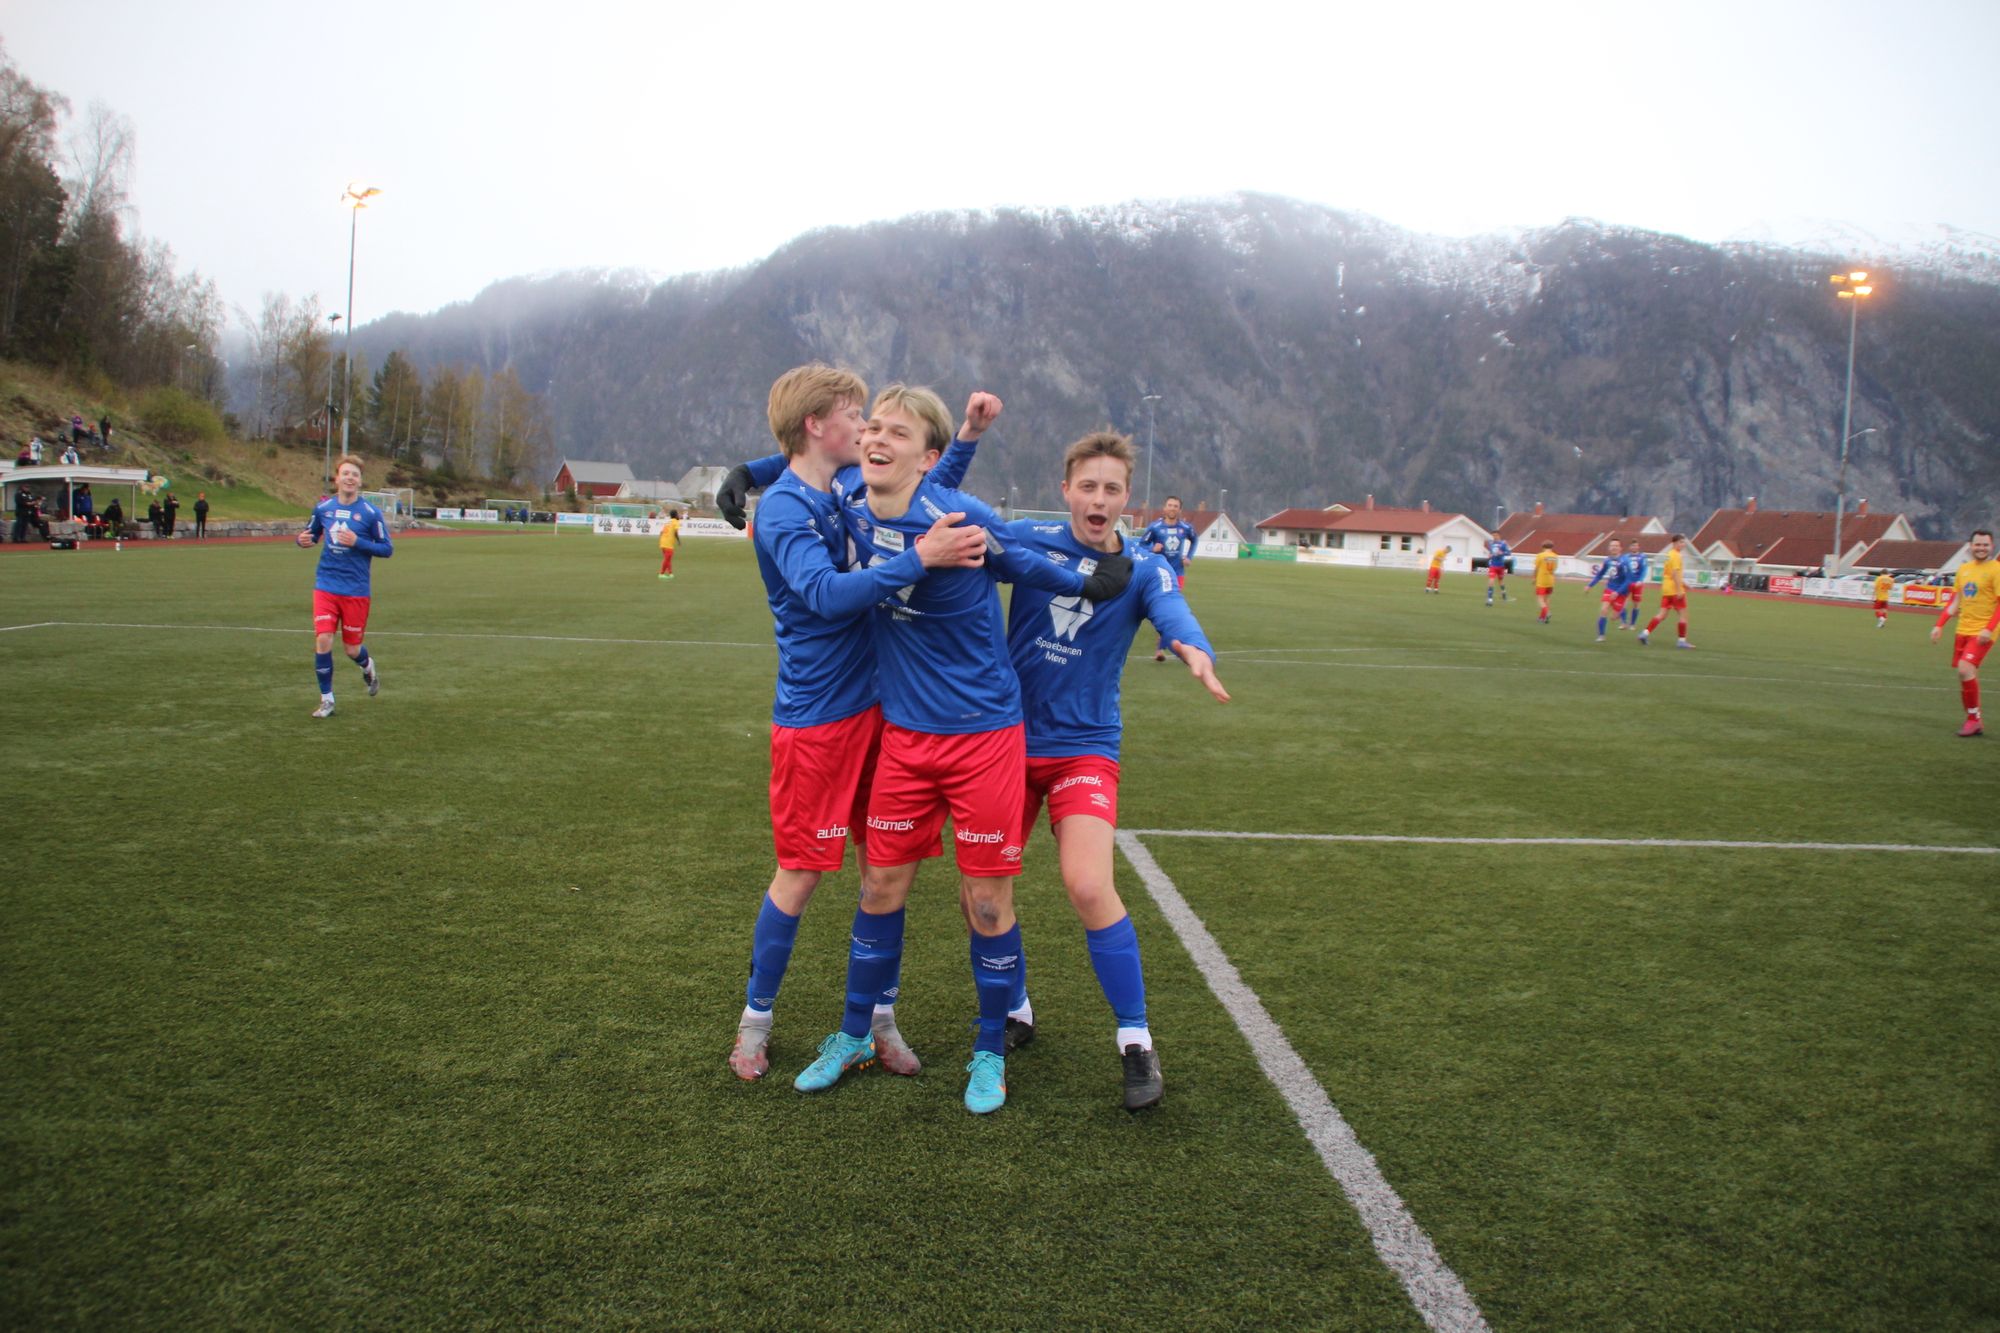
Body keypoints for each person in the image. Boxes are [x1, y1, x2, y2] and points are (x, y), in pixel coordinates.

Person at [789, 384, 1132, 1115]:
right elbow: (807, 455)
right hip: (905, 739)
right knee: (879, 887)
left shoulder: (954, 513)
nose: (877, 439)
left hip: (982, 738)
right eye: (873, 427)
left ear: (930, 459)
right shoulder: (849, 495)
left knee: (985, 900)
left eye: (899, 433)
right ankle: (852, 1035)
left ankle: (987, 1050)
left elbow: (1020, 558)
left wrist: (1088, 580)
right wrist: (752, 473)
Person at [723, 366, 994, 1085]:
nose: (868, 429)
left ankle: (879, 1020)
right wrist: (918, 559)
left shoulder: (839, 486)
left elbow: (919, 469)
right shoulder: (785, 509)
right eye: (856, 416)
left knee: (885, 873)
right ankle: (755, 1022)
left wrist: (962, 437)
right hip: (818, 721)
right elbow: (824, 593)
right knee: (802, 874)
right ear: (820, 425)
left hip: (883, 714)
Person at [1000, 430, 1229, 1110]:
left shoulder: (1146, 566)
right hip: (1006, 744)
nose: (1099, 499)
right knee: (984, 895)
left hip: (1084, 747)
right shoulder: (1030, 539)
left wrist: (1193, 648)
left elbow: (1174, 611)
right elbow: (957, 532)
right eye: (1088, 485)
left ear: (1130, 500)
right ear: (1066, 488)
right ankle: (1014, 1007)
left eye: (1112, 489)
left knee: (1089, 883)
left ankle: (1135, 1038)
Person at [296, 456, 391, 719]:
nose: (350, 478)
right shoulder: (323, 509)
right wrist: (301, 540)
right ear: (337, 479)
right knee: (323, 638)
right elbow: (311, 535)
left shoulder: (371, 514)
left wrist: (357, 542)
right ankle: (327, 699)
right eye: (345, 473)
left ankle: (367, 666)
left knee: (351, 649)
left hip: (356, 589)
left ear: (360, 482)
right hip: (326, 584)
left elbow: (386, 549)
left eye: (355, 475)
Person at [1927, 529, 1999, 738]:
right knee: (1965, 674)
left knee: (1964, 669)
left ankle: (1974, 720)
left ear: (1992, 546)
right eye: (1978, 544)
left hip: (1984, 630)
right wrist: (1939, 625)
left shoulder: (1996, 570)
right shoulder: (1964, 570)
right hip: (1963, 630)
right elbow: (1955, 601)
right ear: (1970, 546)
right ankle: (1973, 717)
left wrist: (1988, 628)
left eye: (1985, 545)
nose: (1981, 548)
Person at [1142, 497, 1198, 660]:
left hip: (1177, 574)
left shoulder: (1185, 528)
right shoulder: (1155, 527)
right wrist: (1153, 548)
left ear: (1180, 510)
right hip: (1159, 573)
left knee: (1169, 611)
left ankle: (1160, 649)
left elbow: (1194, 540)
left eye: (1176, 506)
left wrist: (1189, 556)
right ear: (1164, 508)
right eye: (1170, 505)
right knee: (1163, 611)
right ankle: (1162, 647)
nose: (1172, 508)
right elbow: (1141, 544)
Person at [1638, 533, 1696, 649]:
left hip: (1666, 590)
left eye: (1683, 542)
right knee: (1683, 615)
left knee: (1662, 614)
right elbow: (1674, 573)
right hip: (1675, 590)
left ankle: (1644, 633)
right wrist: (1680, 589)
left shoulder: (1669, 555)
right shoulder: (1676, 556)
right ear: (1674, 543)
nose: (1683, 544)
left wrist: (1685, 584)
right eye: (1680, 542)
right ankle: (1681, 641)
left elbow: (1672, 574)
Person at [1586, 538, 1630, 641]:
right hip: (1609, 589)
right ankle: (1601, 635)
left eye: (1616, 546)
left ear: (1620, 548)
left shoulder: (1625, 561)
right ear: (1609, 548)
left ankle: (1621, 614)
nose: (1614, 547)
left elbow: (1628, 580)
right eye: (1612, 546)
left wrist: (1617, 592)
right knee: (1603, 610)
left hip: (1621, 592)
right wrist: (1590, 585)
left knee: (1613, 617)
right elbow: (1600, 574)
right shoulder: (1607, 560)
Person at [1620, 543, 1648, 629]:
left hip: (1637, 584)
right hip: (1627, 583)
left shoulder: (1642, 557)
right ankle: (1624, 623)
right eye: (1632, 545)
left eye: (1636, 545)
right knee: (1623, 603)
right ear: (1629, 547)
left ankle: (1632, 624)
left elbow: (1644, 569)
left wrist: (1640, 580)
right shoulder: (1625, 557)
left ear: (1638, 547)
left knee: (1636, 604)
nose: (1634, 547)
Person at [1533, 541, 1558, 623]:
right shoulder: (1555, 556)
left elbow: (1536, 568)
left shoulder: (1540, 555)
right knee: (1547, 599)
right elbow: (1554, 569)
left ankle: (1547, 612)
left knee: (1540, 599)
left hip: (1542, 579)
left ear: (1543, 547)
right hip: (1550, 579)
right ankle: (1542, 618)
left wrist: (1534, 577)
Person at [1484, 534, 1512, 605]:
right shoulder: (1491, 544)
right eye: (1493, 536)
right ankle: (1490, 599)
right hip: (1493, 565)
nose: (1494, 537)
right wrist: (1490, 555)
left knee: (1501, 581)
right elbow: (1491, 553)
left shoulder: (1503, 544)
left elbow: (1509, 553)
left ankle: (1504, 595)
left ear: (1499, 536)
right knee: (1491, 580)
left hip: (1501, 566)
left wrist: (1502, 553)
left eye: (1496, 535)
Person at [656, 509, 682, 579]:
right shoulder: (676, 522)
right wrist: (679, 541)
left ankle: (670, 573)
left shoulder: (668, 522)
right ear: (676, 515)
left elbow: (661, 532)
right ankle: (661, 574)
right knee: (667, 559)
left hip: (663, 542)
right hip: (668, 544)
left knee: (668, 559)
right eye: (677, 513)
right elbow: (675, 532)